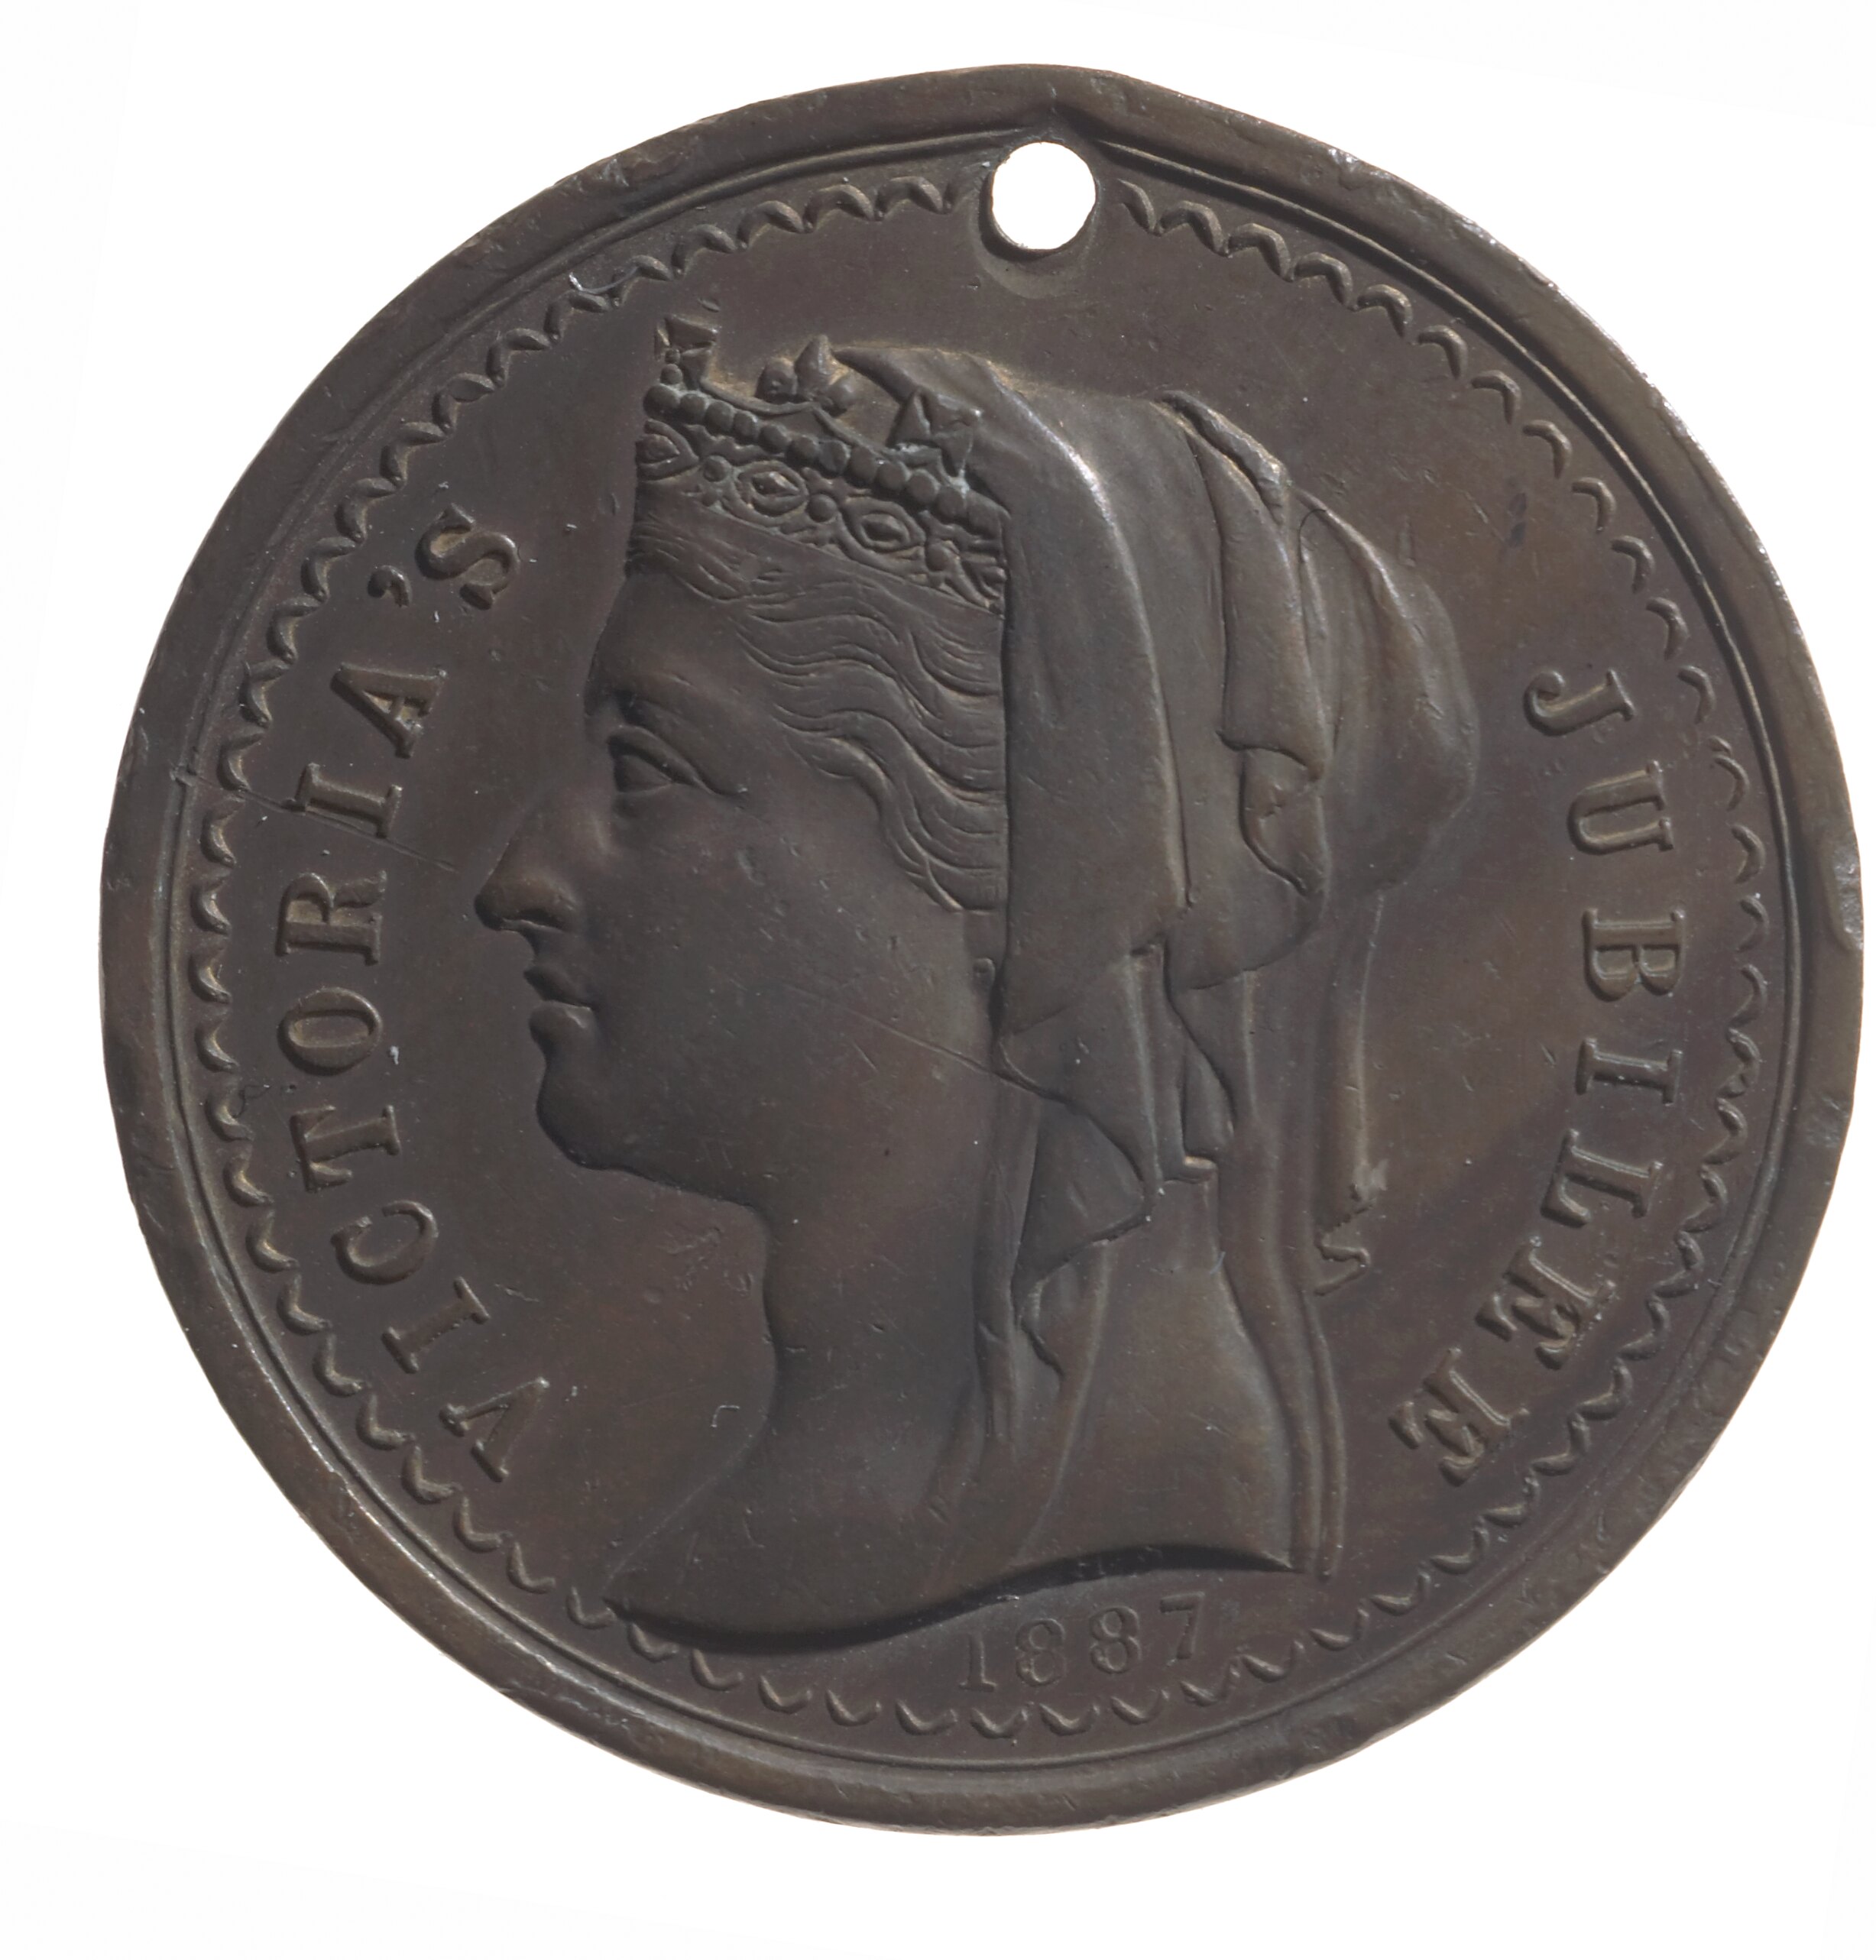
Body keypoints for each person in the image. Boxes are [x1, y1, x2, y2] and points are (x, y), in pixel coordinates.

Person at [476, 321, 1477, 1644]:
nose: (520, 877)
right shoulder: (790, 1516)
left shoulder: (1122, 1498)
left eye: (648, 773)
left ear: (1034, 876)